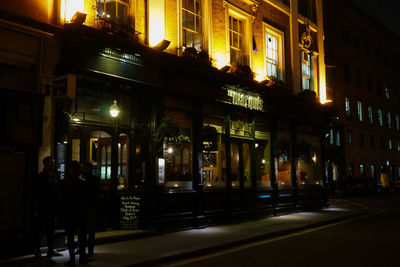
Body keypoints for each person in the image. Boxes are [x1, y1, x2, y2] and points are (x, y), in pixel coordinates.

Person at [33, 156, 63, 258]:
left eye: (53, 163)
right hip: (43, 207)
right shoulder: (40, 176)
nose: (53, 164)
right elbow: (37, 193)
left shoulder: (55, 176)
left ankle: (50, 249)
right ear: (45, 163)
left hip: (52, 208)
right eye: (51, 162)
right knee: (40, 230)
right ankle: (37, 250)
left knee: (51, 230)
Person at [60, 161, 88, 265]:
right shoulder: (83, 182)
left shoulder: (64, 182)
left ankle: (72, 259)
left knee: (70, 237)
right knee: (82, 236)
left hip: (69, 212)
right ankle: (82, 257)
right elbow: (86, 198)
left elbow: (62, 199)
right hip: (80, 212)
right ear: (79, 170)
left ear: (70, 169)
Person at [81, 162, 101, 258]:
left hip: (88, 207)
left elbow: (95, 194)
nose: (82, 169)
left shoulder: (85, 178)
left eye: (83, 167)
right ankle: (88, 250)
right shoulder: (93, 178)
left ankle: (88, 250)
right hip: (89, 207)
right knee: (88, 231)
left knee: (87, 231)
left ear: (87, 168)